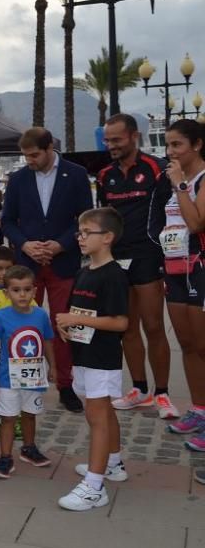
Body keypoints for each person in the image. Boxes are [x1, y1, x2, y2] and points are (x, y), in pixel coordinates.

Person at [2, 127, 93, 413]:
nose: (29, 160)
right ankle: (21, 380)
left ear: (49, 148)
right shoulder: (17, 179)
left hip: (62, 262)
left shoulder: (76, 174)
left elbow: (84, 219)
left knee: (62, 324)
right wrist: (26, 245)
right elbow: (7, 222)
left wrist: (61, 244)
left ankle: (66, 385)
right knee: (22, 323)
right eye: (25, 155)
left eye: (34, 155)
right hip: (27, 264)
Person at [97, 113, 176, 419]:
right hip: (117, 258)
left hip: (148, 256)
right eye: (107, 140)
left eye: (116, 139)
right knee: (126, 328)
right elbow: (103, 216)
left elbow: (172, 212)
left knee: (154, 326)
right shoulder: (105, 175)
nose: (111, 145)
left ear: (133, 137)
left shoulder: (157, 169)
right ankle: (139, 389)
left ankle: (163, 394)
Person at [55, 208, 129, 511]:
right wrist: (69, 325)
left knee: (96, 417)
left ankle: (95, 486)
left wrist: (75, 318)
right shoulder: (85, 271)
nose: (81, 238)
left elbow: (120, 322)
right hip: (83, 353)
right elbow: (82, 312)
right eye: (79, 233)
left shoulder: (113, 276)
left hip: (102, 356)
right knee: (102, 411)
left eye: (88, 233)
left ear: (107, 238)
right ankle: (112, 462)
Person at [150, 119, 205, 449]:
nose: (170, 151)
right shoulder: (170, 181)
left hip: (199, 269)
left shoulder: (197, 179)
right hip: (174, 270)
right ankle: (199, 409)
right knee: (186, 344)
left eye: (177, 145)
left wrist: (181, 186)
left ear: (196, 145)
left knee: (203, 346)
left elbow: (197, 220)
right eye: (167, 145)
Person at [0, 265, 57, 479]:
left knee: (30, 414)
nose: (22, 294)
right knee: (7, 418)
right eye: (16, 290)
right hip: (7, 379)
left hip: (33, 377)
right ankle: (5, 457)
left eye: (27, 289)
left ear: (34, 291)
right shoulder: (1, 317)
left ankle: (29, 448)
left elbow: (47, 342)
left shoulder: (41, 316)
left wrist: (52, 366)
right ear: (7, 293)